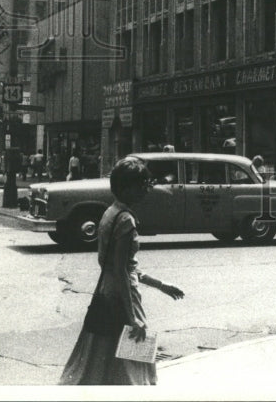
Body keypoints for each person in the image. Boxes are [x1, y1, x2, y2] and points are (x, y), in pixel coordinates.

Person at [59, 156, 185, 386]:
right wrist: (133, 317)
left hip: (109, 295)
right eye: (142, 185)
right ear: (128, 188)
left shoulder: (111, 212)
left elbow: (121, 267)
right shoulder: (126, 220)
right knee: (135, 364)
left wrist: (160, 285)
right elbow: (121, 271)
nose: (146, 190)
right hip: (123, 298)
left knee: (103, 364)